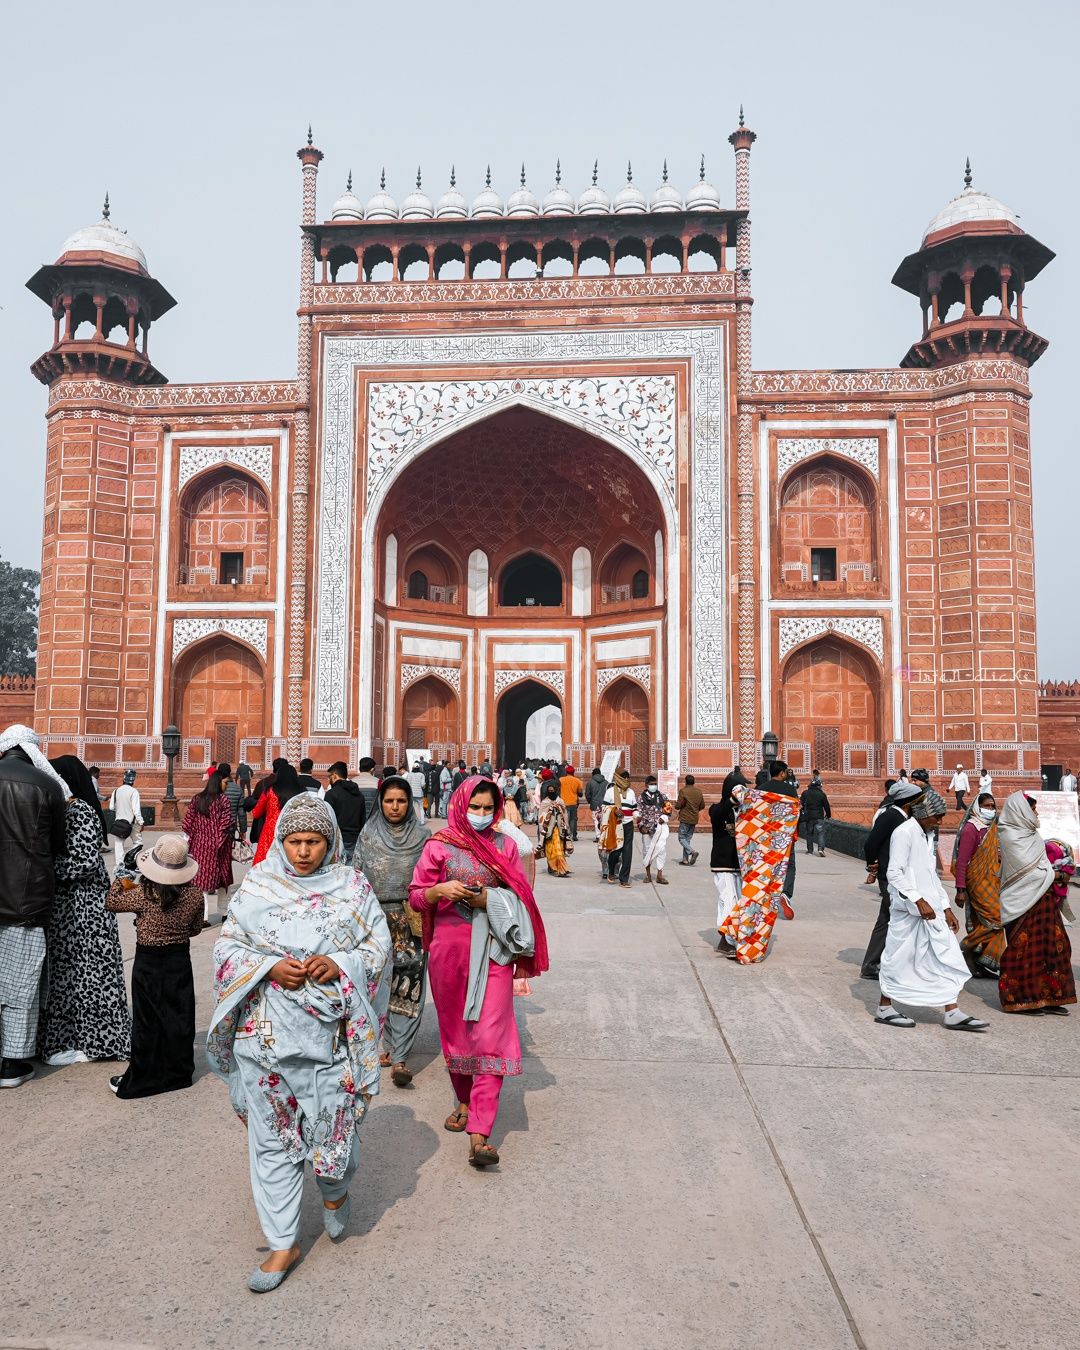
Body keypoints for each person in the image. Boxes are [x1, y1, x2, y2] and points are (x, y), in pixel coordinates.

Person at [208, 797, 391, 1291]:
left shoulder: (353, 888)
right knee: (273, 1142)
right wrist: (267, 966)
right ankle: (282, 1242)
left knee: (337, 1141)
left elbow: (377, 947)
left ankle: (334, 1191)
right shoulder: (259, 885)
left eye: (314, 842)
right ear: (281, 841)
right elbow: (227, 946)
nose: (304, 851)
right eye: (295, 841)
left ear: (330, 841)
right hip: (263, 1038)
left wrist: (341, 964)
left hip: (330, 1042)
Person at [409, 776, 548, 1169]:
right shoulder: (439, 845)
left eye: (490, 808)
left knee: (489, 1034)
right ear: (461, 804)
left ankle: (480, 1133)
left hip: (494, 950)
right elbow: (417, 894)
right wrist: (439, 892)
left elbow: (523, 895)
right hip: (449, 953)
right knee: (457, 1033)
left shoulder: (504, 846)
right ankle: (466, 1100)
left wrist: (489, 897)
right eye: (477, 807)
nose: (483, 815)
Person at [38, 756, 130, 1066]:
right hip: (73, 908)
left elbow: (83, 862)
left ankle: (96, 1042)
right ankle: (77, 1039)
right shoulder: (69, 809)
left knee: (89, 976)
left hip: (84, 910)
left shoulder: (80, 812)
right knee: (72, 976)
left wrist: (42, 868)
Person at [875, 791, 989, 1031]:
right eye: (936, 817)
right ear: (923, 813)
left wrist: (946, 907)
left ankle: (952, 1011)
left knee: (945, 957)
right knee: (899, 959)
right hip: (908, 911)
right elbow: (894, 873)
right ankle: (884, 1007)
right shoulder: (903, 833)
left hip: (932, 911)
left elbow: (930, 875)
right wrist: (918, 900)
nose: (939, 821)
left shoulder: (925, 835)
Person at [106, 834, 205, 1095]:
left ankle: (147, 1073)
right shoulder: (195, 895)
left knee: (148, 1019)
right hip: (179, 959)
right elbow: (195, 929)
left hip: (148, 960)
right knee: (178, 1016)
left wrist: (123, 874)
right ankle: (178, 1072)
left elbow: (112, 901)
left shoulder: (143, 893)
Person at [0, 726, 68, 1090]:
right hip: (25, 898)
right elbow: (57, 844)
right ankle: (11, 1064)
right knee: (20, 984)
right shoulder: (47, 785)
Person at [353, 775, 429, 1086]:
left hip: (410, 920)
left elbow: (432, 878)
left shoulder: (424, 838)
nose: (394, 806)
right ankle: (384, 1042)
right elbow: (355, 878)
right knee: (376, 984)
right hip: (374, 919)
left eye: (400, 800)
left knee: (408, 985)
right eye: (388, 801)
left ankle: (400, 1056)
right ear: (380, 803)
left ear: (409, 803)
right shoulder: (368, 835)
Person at [997, 792, 1077, 1015]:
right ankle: (1020, 999)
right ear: (1021, 812)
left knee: (1053, 946)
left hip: (1043, 899)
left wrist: (1053, 873)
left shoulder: (1031, 835)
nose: (1036, 813)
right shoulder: (1010, 835)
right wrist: (1055, 875)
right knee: (1024, 950)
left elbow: (1041, 868)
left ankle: (1051, 996)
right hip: (1021, 901)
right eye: (1032, 809)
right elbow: (1029, 872)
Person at [860, 780, 918, 979]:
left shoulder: (901, 816)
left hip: (896, 875)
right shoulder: (891, 816)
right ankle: (879, 964)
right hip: (889, 876)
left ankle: (873, 963)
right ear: (908, 801)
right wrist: (872, 863)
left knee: (887, 918)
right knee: (896, 917)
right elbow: (871, 843)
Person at [952, 793, 1004, 978]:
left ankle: (980, 960)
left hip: (993, 881)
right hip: (976, 881)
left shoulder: (993, 828)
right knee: (996, 918)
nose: (990, 810)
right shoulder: (971, 828)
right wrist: (960, 889)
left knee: (983, 921)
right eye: (986, 806)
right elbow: (962, 861)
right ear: (977, 807)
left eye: (993, 806)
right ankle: (965, 948)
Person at [183, 772, 235, 927]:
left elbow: (187, 823)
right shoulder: (223, 800)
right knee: (223, 881)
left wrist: (190, 841)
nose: (227, 786)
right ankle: (224, 913)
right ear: (218, 782)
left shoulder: (197, 799)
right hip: (219, 847)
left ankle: (203, 917)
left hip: (199, 846)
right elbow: (226, 823)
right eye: (225, 783)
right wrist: (218, 842)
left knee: (202, 883)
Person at [248, 760, 304, 866]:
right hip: (293, 831)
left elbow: (256, 813)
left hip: (270, 832)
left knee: (265, 865)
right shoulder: (301, 791)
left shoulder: (270, 791)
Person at [710, 779, 743, 954]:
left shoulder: (744, 812)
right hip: (723, 864)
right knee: (728, 900)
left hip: (739, 865)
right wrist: (731, 801)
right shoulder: (717, 809)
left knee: (739, 903)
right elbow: (718, 815)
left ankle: (733, 937)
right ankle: (724, 940)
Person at [768, 761, 799, 919]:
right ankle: (785, 893)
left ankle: (768, 896)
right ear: (781, 773)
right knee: (789, 865)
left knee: (768, 864)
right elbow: (797, 811)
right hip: (785, 834)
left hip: (766, 834)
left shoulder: (761, 789)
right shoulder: (790, 789)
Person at [600, 767, 637, 886]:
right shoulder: (610, 791)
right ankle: (611, 870)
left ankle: (624, 879)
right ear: (618, 778)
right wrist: (614, 810)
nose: (626, 779)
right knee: (616, 850)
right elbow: (604, 808)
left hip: (628, 824)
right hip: (615, 825)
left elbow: (634, 808)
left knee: (627, 852)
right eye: (623, 777)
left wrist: (638, 816)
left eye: (627, 777)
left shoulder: (631, 792)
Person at [324, 760, 366, 862]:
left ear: (334, 775)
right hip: (355, 840)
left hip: (337, 842)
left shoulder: (331, 794)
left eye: (329, 777)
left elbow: (327, 820)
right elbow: (362, 819)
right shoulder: (359, 794)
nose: (329, 779)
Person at [637, 775, 671, 885]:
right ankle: (648, 875)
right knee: (647, 851)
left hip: (660, 829)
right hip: (647, 829)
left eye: (655, 784)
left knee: (661, 851)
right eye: (651, 784)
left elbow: (668, 809)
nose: (653, 786)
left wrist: (664, 818)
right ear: (646, 785)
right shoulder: (641, 798)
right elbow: (638, 812)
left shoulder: (662, 796)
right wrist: (641, 826)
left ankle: (660, 875)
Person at [108, 768, 144, 870]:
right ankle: (130, 860)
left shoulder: (116, 791)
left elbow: (111, 807)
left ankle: (120, 865)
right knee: (138, 843)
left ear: (123, 779)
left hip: (119, 823)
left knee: (119, 845)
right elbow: (136, 810)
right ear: (133, 780)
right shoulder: (134, 792)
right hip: (131, 823)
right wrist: (141, 822)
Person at [537, 780, 572, 877]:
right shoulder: (545, 802)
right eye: (550, 791)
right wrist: (550, 809)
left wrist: (559, 808)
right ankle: (552, 867)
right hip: (548, 830)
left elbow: (565, 814)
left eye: (553, 790)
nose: (551, 792)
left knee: (559, 849)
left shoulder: (560, 801)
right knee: (550, 850)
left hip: (559, 829)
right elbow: (541, 816)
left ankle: (561, 868)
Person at [674, 775, 705, 865]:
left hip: (685, 817)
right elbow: (702, 805)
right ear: (694, 782)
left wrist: (681, 805)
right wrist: (695, 810)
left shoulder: (683, 791)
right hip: (694, 818)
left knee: (681, 838)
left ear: (685, 782)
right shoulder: (699, 792)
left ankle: (692, 852)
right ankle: (685, 860)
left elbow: (678, 806)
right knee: (687, 839)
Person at [800, 776, 832, 857]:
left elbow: (801, 804)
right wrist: (828, 815)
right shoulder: (822, 794)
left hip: (808, 817)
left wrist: (802, 811)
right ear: (819, 785)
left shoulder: (805, 793)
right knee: (821, 833)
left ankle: (810, 850)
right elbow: (826, 806)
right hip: (819, 817)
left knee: (809, 833)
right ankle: (820, 849)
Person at [217, 763, 248, 844]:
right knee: (229, 850)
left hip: (215, 826)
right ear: (230, 772)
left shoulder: (214, 788)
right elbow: (241, 812)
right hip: (230, 825)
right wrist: (243, 830)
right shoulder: (238, 789)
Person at [559, 764, 583, 842]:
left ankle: (564, 835)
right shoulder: (577, 781)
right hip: (573, 803)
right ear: (573, 772)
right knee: (572, 820)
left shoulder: (561, 780)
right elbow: (580, 794)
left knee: (564, 819)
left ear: (566, 772)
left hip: (563, 803)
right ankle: (571, 835)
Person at [584, 767, 607, 837]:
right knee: (604, 820)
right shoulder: (606, 782)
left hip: (595, 804)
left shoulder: (590, 782)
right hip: (604, 804)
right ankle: (604, 836)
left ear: (593, 774)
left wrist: (591, 802)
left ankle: (598, 836)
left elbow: (587, 794)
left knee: (596, 821)